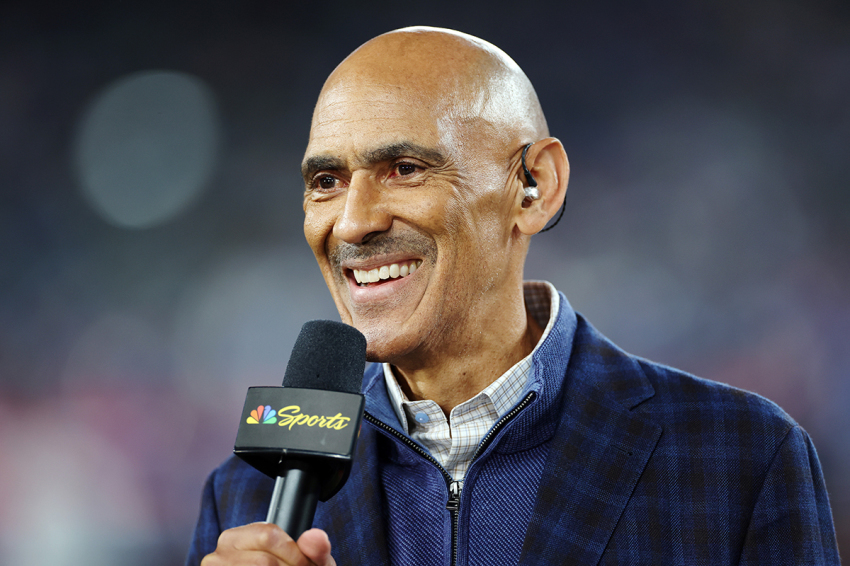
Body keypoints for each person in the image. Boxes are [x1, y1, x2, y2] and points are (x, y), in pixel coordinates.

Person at [187, 27, 840, 566]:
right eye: (327, 180)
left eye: (405, 169)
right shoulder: (245, 500)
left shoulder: (739, 458)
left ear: (534, 186)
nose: (353, 222)